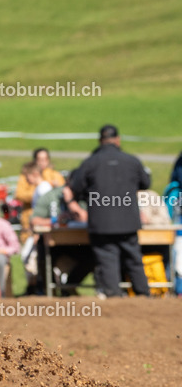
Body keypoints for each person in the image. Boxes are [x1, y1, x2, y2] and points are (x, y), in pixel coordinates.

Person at [69, 124, 151, 299]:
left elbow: (76, 187)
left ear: (100, 141)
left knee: (107, 261)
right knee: (134, 259)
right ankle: (143, 295)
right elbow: (145, 183)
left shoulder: (90, 162)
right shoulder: (131, 160)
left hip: (102, 222)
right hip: (128, 221)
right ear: (117, 140)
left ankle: (114, 298)